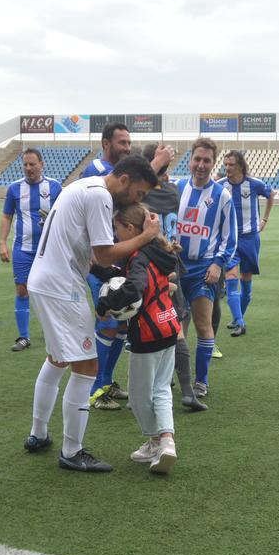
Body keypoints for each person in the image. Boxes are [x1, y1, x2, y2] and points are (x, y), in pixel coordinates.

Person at [24, 154, 161, 472]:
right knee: (87, 366)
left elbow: (94, 258)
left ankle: (38, 434)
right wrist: (146, 237)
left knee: (57, 359)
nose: (138, 201)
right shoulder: (100, 195)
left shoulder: (85, 185)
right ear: (124, 180)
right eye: (139, 194)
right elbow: (103, 252)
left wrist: (111, 276)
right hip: (60, 287)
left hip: (45, 280)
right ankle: (72, 451)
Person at [82, 125, 175, 406]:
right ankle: (96, 388)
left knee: (122, 323)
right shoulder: (96, 170)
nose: (125, 147)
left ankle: (106, 382)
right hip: (106, 257)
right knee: (109, 322)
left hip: (124, 257)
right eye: (121, 142)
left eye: (129, 142)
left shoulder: (123, 180)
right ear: (105, 143)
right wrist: (156, 164)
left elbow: (134, 188)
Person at [95, 203, 183, 474]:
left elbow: (134, 288)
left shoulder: (138, 255)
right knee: (161, 389)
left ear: (130, 229)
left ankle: (156, 439)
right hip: (169, 326)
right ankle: (166, 441)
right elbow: (127, 277)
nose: (115, 234)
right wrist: (96, 267)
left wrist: (106, 303)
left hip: (147, 333)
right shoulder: (157, 251)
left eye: (117, 229)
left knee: (138, 394)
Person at [137, 144, 205, 411]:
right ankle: (186, 390)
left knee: (144, 331)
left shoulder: (139, 194)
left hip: (148, 267)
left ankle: (142, 393)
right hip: (171, 264)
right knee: (175, 326)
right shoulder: (173, 190)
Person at [174, 138, 236, 400]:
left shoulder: (222, 196)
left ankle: (201, 381)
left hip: (203, 269)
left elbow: (229, 238)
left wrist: (217, 264)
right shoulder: (177, 188)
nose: (201, 165)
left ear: (213, 163)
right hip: (176, 268)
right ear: (190, 159)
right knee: (174, 326)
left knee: (202, 324)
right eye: (197, 159)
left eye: (207, 160)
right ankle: (171, 378)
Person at [0, 148, 62, 352]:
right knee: (22, 289)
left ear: (41, 164)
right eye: (25, 164)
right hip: (23, 248)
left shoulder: (54, 187)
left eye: (32, 164)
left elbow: (63, 215)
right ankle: (23, 337)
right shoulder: (14, 189)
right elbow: (7, 216)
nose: (28, 168)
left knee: (51, 290)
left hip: (48, 249)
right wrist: (2, 242)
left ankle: (51, 331)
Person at [216, 150, 273, 337]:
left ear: (240, 165)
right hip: (230, 239)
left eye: (231, 164)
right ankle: (240, 322)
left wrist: (264, 219)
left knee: (246, 283)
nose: (227, 168)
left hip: (250, 239)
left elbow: (270, 195)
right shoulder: (220, 186)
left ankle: (237, 317)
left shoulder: (255, 184)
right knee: (231, 279)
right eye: (226, 164)